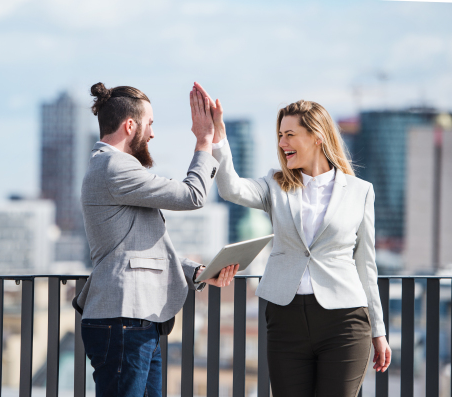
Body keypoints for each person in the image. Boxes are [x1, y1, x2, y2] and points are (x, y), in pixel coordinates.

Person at [192, 82, 391, 397]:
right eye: (279, 135)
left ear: (316, 136)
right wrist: (217, 137)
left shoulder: (360, 191)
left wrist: (379, 331)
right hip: (286, 318)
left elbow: (366, 264)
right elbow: (231, 188)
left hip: (344, 321)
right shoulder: (275, 184)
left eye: (290, 135)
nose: (282, 143)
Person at [73, 82, 239, 397]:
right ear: (130, 125)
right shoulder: (114, 166)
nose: (152, 133)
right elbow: (193, 195)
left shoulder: (112, 168)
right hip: (123, 321)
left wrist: (198, 272)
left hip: (135, 322)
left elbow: (137, 249)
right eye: (150, 124)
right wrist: (204, 140)